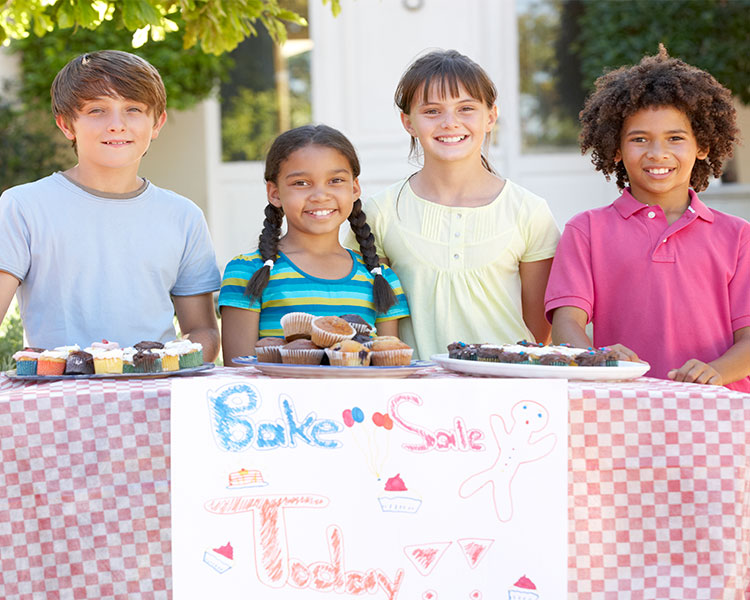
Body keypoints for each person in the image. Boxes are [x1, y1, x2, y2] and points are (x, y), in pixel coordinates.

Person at [545, 45, 750, 391]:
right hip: (621, 409)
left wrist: (715, 371)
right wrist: (601, 361)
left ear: (702, 146)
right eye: (639, 139)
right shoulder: (586, 231)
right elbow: (566, 326)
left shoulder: (738, 235)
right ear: (616, 149)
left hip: (720, 415)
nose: (658, 153)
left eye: (675, 138)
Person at [0, 50, 221, 359]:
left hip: (156, 393)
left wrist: (176, 357)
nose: (116, 124)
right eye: (96, 110)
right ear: (66, 125)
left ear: (157, 123)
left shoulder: (183, 216)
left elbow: (203, 330)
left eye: (133, 109)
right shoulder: (23, 207)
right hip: (61, 397)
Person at [345, 49, 560, 360]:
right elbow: (369, 320)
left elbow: (540, 330)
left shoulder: (529, 211)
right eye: (432, 111)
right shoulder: (380, 213)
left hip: (506, 390)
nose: (450, 123)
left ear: (490, 117)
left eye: (466, 108)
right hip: (415, 390)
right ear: (408, 122)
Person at [219, 124, 410, 365]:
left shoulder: (381, 279)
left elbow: (387, 368)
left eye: (336, 180)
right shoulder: (248, 272)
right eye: (301, 183)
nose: (320, 195)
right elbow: (238, 374)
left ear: (354, 188)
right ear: (275, 193)